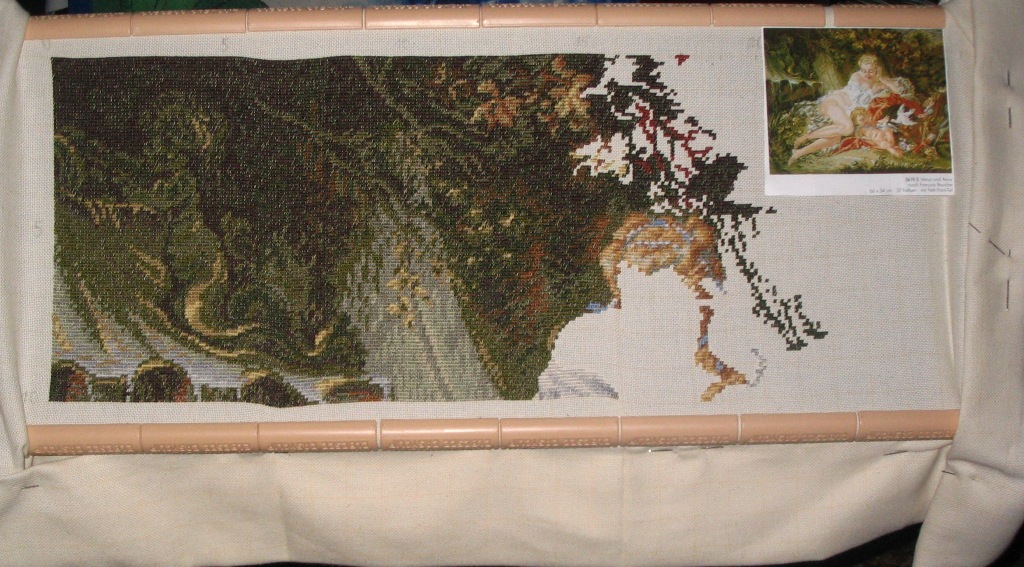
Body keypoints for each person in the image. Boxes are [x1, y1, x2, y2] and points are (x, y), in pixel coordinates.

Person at [788, 54, 906, 164]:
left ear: (877, 69)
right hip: (834, 103)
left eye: (871, 71)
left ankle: (799, 152)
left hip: (846, 111)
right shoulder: (856, 77)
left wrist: (881, 78)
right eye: (863, 70)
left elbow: (899, 90)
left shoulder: (879, 80)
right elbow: (856, 100)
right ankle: (806, 137)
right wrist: (873, 91)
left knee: (836, 138)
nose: (866, 74)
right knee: (848, 128)